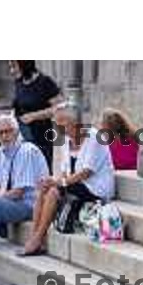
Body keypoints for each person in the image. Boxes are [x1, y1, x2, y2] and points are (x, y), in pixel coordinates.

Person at [22, 101, 115, 256]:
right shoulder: (65, 139)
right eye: (56, 123)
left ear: (75, 122)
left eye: (61, 123)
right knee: (44, 189)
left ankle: (38, 239)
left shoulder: (95, 138)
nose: (57, 127)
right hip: (77, 185)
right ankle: (35, 236)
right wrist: (53, 180)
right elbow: (66, 171)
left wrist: (59, 182)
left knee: (53, 191)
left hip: (95, 188)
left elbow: (85, 173)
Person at [0, 114, 49, 238]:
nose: (4, 136)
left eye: (8, 131)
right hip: (11, 202)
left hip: (30, 206)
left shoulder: (27, 151)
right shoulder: (0, 152)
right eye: (0, 133)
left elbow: (18, 192)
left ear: (17, 131)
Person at [9, 61, 63, 170]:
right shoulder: (18, 82)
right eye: (10, 67)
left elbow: (60, 108)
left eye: (14, 66)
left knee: (42, 172)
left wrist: (34, 116)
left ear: (24, 64)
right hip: (23, 138)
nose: (11, 71)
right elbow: (16, 108)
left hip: (43, 138)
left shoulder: (45, 82)